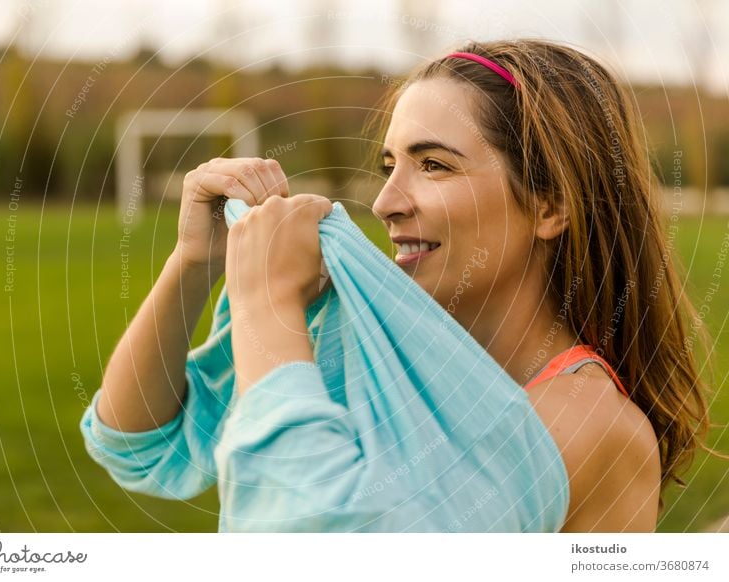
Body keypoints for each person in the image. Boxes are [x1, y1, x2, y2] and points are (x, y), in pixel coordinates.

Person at [87, 39, 715, 532]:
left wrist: (267, 303)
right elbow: (136, 442)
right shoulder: (386, 344)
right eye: (390, 166)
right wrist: (197, 262)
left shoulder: (583, 418)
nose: (386, 202)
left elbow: (312, 540)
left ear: (550, 204)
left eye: (434, 165)